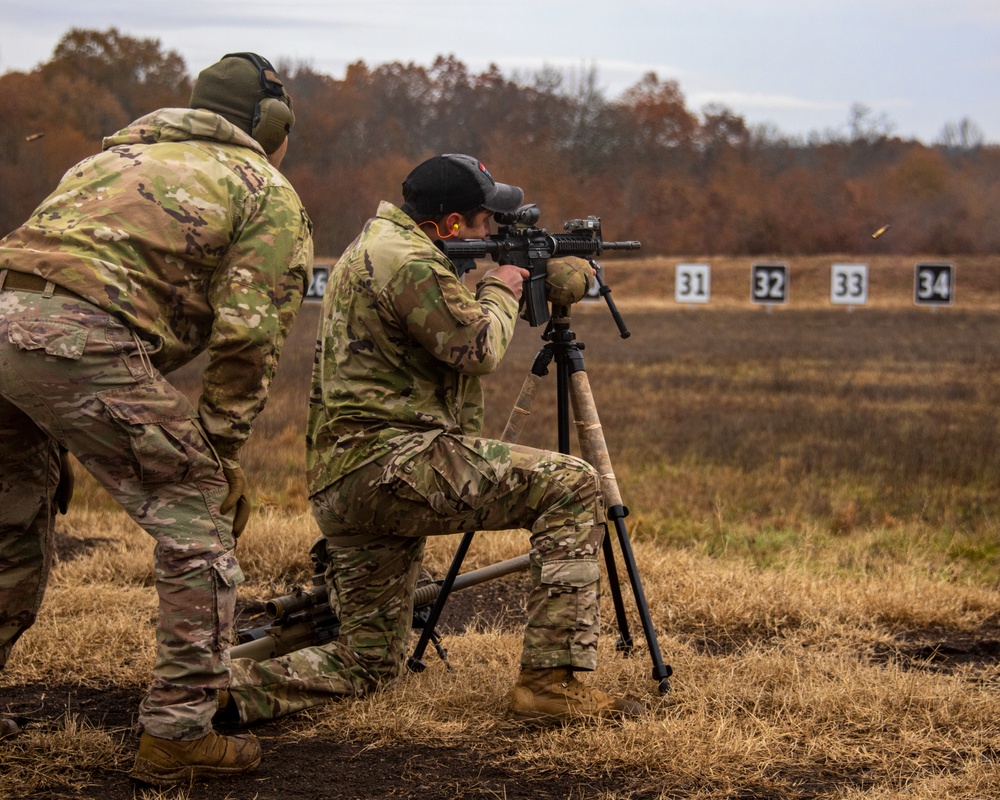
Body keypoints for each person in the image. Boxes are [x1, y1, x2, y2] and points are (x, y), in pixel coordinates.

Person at [221, 153, 642, 726]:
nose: (490, 234)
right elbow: (478, 348)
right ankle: (552, 683)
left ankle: (214, 693)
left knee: (367, 665)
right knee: (571, 485)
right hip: (394, 466)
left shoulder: (378, 248)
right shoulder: (409, 261)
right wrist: (503, 286)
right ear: (447, 226)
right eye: (480, 223)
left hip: (353, 480)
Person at [0, 52, 313, 785]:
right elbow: (248, 336)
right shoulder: (262, 187)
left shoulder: (103, 162)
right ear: (271, 123)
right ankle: (178, 734)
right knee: (197, 514)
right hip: (73, 338)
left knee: (10, 522)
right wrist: (221, 457)